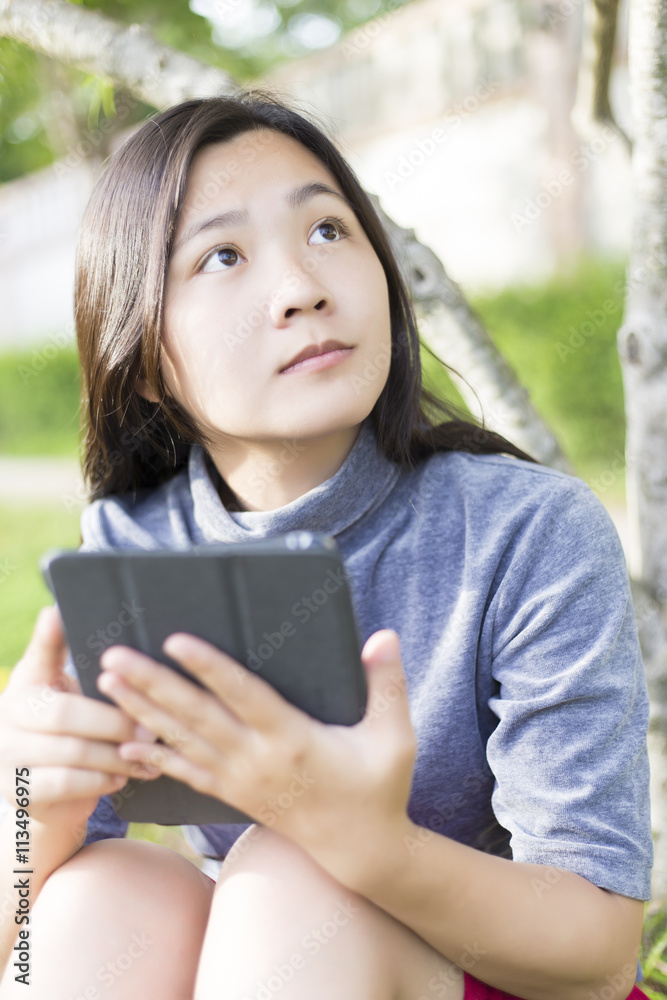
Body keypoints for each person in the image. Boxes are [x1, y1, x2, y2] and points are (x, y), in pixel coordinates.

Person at [0, 88, 653, 1000]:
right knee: (98, 902)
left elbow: (596, 954)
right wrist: (33, 813)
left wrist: (361, 840)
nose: (303, 287)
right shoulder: (130, 549)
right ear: (146, 361)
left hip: (493, 971)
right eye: (222, 255)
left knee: (293, 879)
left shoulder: (525, 531)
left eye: (327, 232)